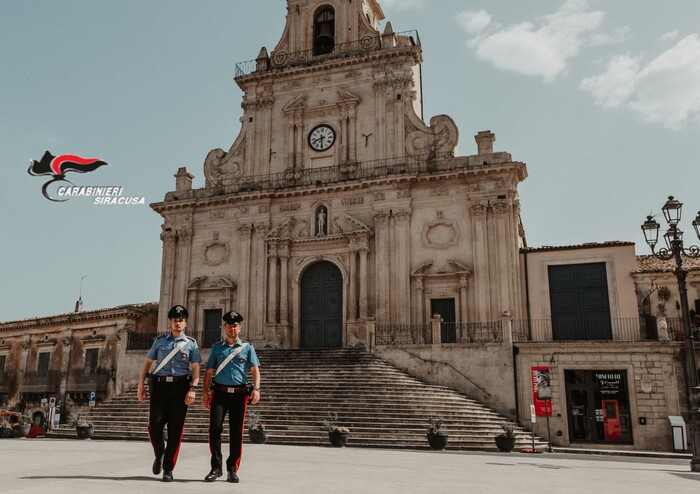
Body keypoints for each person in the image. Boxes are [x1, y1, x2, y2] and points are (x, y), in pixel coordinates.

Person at [137, 305, 202, 482]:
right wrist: (140, 385)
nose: (177, 323)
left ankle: (168, 469)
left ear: (185, 323)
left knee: (175, 430)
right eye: (174, 320)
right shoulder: (159, 341)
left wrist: (193, 388)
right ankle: (160, 453)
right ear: (170, 322)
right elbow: (147, 363)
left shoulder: (191, 344)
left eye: (180, 320)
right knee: (154, 425)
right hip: (159, 387)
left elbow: (196, 368)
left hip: (180, 388)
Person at [202, 310, 260, 483]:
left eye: (234, 326)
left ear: (239, 328)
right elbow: (209, 371)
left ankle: (232, 469)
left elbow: (255, 369)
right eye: (229, 326)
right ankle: (216, 468)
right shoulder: (217, 348)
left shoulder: (247, 348)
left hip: (239, 394)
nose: (232, 329)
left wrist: (256, 389)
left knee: (237, 433)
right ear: (224, 327)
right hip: (219, 393)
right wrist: (204, 392)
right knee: (214, 430)